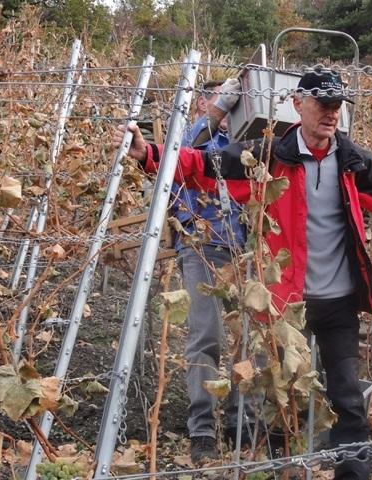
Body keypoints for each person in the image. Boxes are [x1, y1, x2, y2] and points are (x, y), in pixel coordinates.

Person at [116, 71, 372, 480]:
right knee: (279, 399)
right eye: (323, 104)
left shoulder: (353, 162)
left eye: (337, 105)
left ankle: (352, 474)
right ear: (298, 104)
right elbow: (204, 167)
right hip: (288, 304)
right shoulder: (269, 156)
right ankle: (281, 470)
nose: (331, 113)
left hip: (339, 302)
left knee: (347, 398)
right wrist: (150, 154)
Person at [114, 79, 249, 465]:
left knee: (248, 340)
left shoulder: (248, 143)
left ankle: (240, 421)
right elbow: (174, 156)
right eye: (223, 103)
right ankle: (202, 429)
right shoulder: (195, 139)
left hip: (247, 250)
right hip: (203, 247)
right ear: (204, 104)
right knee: (206, 336)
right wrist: (218, 111)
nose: (231, 111)